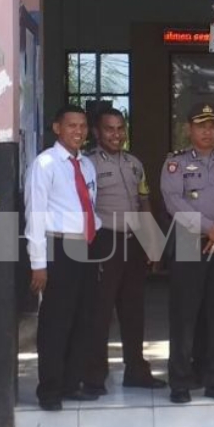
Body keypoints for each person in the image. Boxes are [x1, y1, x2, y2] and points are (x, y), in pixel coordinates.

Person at [161, 102, 214, 404]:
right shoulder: (176, 163)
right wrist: (209, 228)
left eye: (212, 126)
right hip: (189, 240)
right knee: (185, 314)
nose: (207, 131)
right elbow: (173, 201)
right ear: (190, 129)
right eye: (201, 126)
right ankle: (181, 380)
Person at [80, 107, 166, 394]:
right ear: (96, 132)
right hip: (104, 242)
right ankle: (94, 376)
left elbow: (144, 203)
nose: (116, 135)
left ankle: (136, 370)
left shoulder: (134, 164)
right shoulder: (87, 164)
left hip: (133, 242)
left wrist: (152, 242)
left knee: (133, 310)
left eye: (120, 129)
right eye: (109, 129)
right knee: (100, 312)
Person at [24, 105, 103, 411]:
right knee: (55, 324)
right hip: (58, 247)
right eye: (72, 126)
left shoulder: (86, 165)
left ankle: (72, 383)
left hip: (85, 247)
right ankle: (50, 391)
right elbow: (35, 216)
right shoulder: (45, 164)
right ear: (57, 128)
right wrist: (38, 264)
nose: (78, 132)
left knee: (83, 320)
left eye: (83, 126)